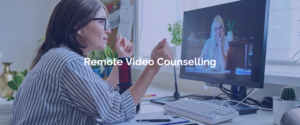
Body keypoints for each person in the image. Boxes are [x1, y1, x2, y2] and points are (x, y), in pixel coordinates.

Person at [10, 0, 173, 124]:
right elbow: (117, 110)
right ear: (78, 26)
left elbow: (100, 95)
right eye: (102, 21)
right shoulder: (68, 62)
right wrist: (154, 66)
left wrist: (122, 60)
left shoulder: (56, 56)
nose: (108, 30)